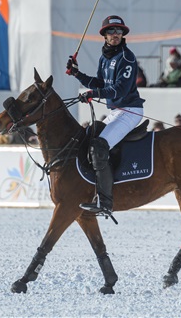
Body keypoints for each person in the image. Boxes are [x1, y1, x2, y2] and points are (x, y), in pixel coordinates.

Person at [66, 15, 144, 215]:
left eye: (119, 31)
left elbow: (119, 90)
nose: (115, 34)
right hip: (116, 111)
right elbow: (100, 83)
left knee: (99, 146)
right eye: (111, 31)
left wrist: (94, 94)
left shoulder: (127, 57)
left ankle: (105, 202)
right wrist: (77, 74)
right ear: (105, 35)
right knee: (88, 137)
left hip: (130, 111)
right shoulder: (104, 58)